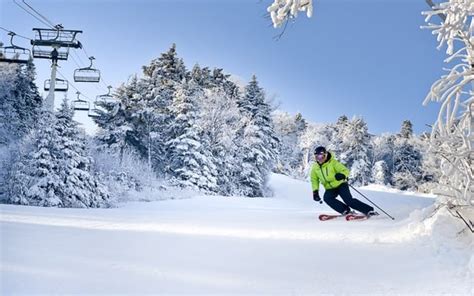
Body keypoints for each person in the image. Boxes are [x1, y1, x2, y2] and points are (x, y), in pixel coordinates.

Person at [310, 146, 377, 217]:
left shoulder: (333, 163)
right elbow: (314, 179)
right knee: (327, 198)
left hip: (341, 184)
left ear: (325, 155)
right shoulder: (315, 167)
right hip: (330, 188)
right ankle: (345, 210)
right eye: (317, 157)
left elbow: (345, 171)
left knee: (348, 200)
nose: (319, 159)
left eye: (321, 156)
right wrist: (315, 191)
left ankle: (369, 210)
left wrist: (342, 175)